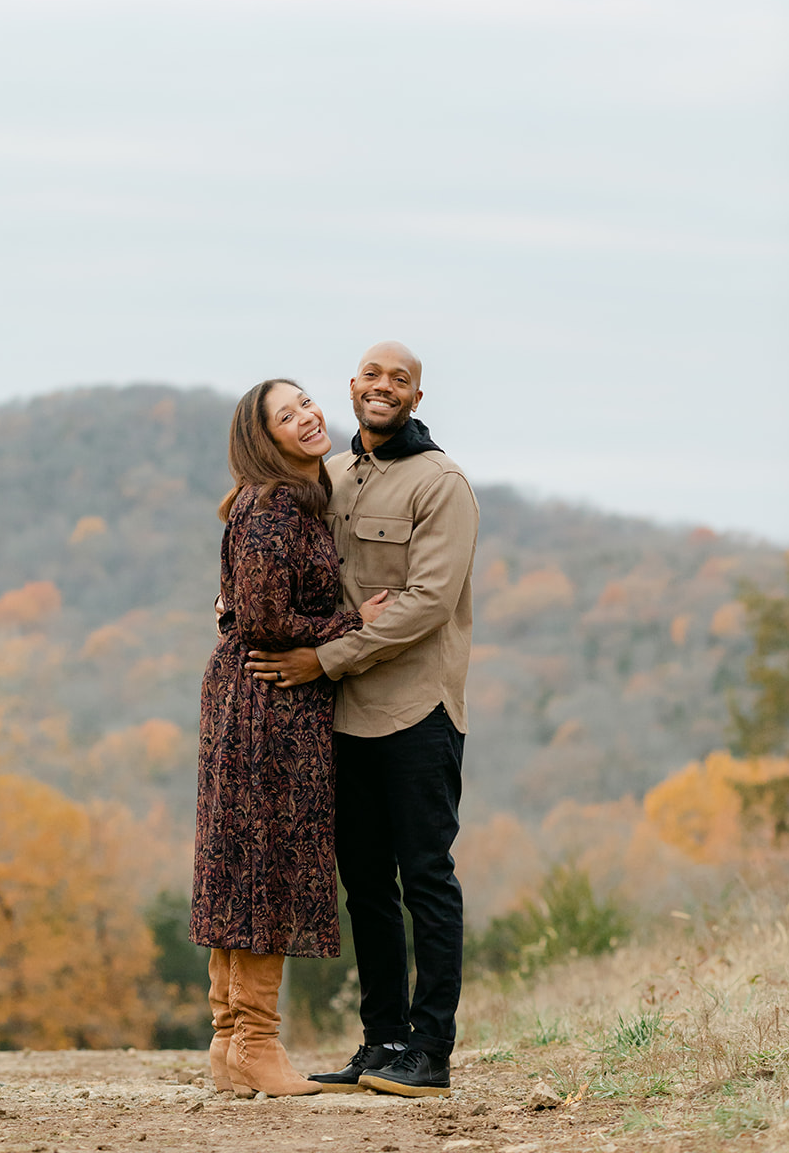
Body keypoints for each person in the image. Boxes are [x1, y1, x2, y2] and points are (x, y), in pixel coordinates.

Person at [244, 342, 478, 1099]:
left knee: (426, 880)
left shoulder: (440, 483)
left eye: (398, 380)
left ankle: (430, 1050)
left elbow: (426, 602)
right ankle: (380, 1043)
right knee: (366, 887)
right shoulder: (331, 476)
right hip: (338, 721)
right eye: (371, 376)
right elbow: (295, 572)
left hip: (415, 710)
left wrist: (326, 658)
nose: (383, 388)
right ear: (351, 388)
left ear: (415, 395)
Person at [189, 378, 391, 1098]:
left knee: (239, 864)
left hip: (256, 698)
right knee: (263, 869)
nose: (306, 416)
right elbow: (267, 620)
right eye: (286, 414)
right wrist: (352, 623)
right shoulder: (274, 507)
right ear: (264, 438)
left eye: (305, 402)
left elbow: (239, 608)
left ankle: (227, 1048)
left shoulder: (281, 501)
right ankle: (254, 1045)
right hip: (269, 701)